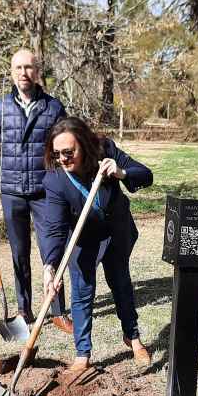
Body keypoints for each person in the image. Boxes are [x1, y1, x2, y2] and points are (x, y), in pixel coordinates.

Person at [39, 117, 153, 371]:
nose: (62, 159)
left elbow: (146, 175)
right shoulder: (55, 179)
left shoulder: (106, 151)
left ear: (85, 145)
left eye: (69, 152)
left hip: (115, 232)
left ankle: (132, 337)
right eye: (56, 153)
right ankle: (82, 353)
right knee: (82, 294)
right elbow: (56, 228)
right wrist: (49, 268)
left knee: (121, 285)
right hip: (83, 239)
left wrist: (121, 173)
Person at [0, 49, 73, 333]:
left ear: (37, 70)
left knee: (52, 248)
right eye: (18, 67)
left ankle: (58, 311)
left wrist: (69, 179)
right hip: (11, 190)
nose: (23, 73)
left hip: (46, 190)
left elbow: (65, 146)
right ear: (12, 72)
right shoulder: (0, 107)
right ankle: (24, 309)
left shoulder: (54, 107)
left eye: (28, 67)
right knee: (19, 252)